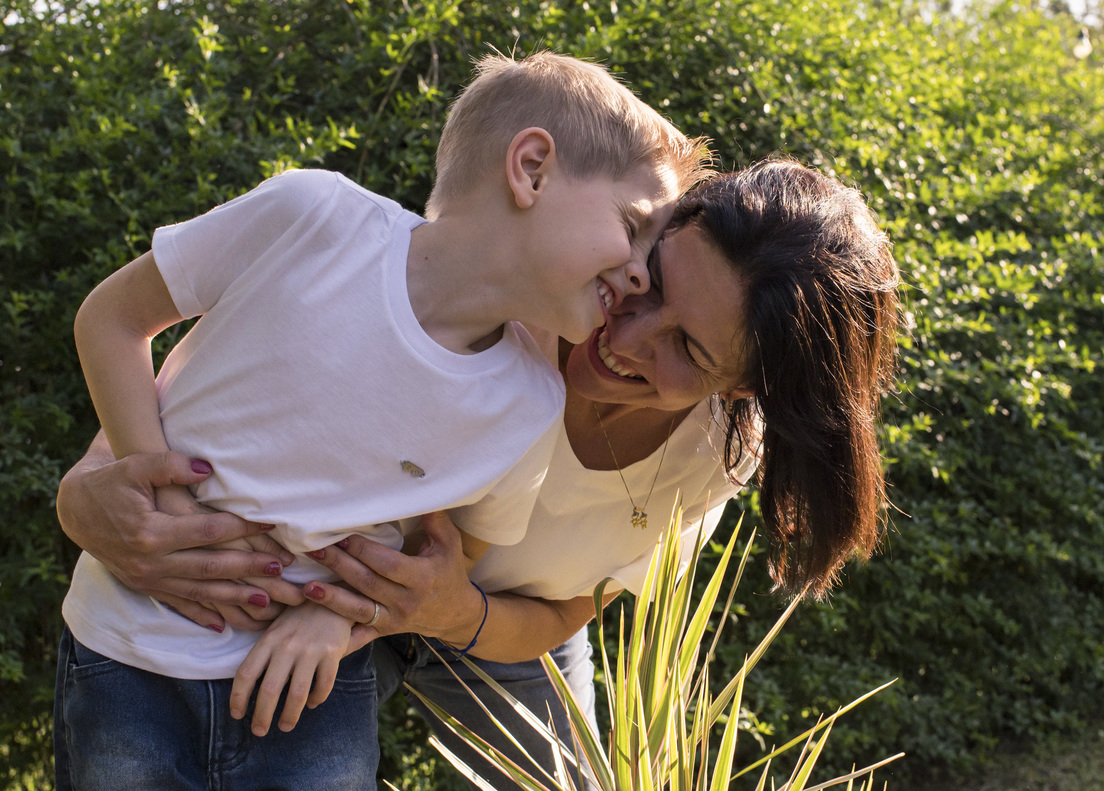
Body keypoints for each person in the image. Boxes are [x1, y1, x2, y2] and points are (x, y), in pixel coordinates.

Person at [57, 158, 902, 789]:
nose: (627, 335)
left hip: (490, 624)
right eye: (653, 284)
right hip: (333, 580)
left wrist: (429, 611)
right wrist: (92, 487)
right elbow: (261, 398)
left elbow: (568, 608)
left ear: (743, 385)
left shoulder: (714, 457)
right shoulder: (527, 289)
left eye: (687, 347)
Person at [54, 51, 707, 791]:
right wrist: (163, 508)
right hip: (128, 649)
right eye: (632, 226)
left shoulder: (527, 403)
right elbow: (111, 319)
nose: (639, 275)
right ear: (531, 168)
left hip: (316, 693)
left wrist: (342, 621)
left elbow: (447, 552)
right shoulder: (312, 216)